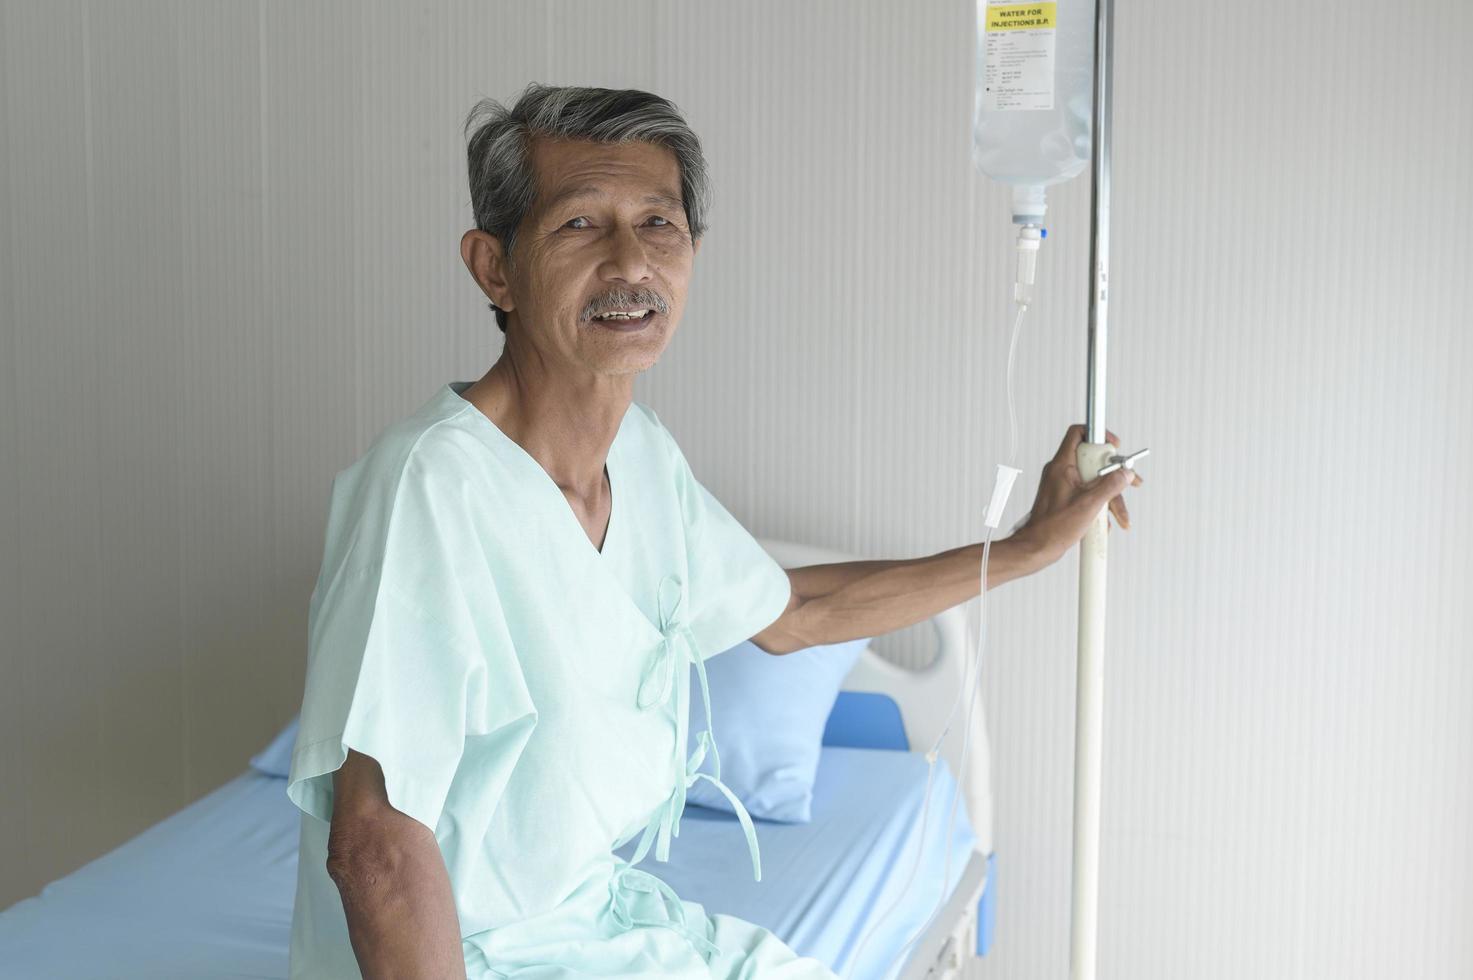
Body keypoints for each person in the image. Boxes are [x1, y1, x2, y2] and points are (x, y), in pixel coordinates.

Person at [284, 83, 1140, 980]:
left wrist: (1029, 550)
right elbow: (375, 841)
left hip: (589, 926)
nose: (631, 264)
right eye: (580, 225)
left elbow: (791, 613)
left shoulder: (642, 458)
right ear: (494, 267)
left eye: (660, 225)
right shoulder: (430, 486)